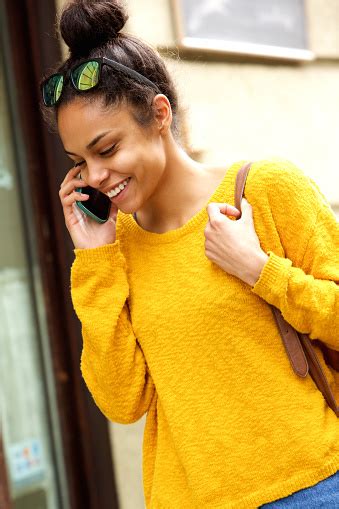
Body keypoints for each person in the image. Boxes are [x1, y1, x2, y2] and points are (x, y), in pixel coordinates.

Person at [40, 1, 339, 507]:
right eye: (79, 162)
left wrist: (262, 271)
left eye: (106, 150)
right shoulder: (114, 250)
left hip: (310, 487)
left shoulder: (264, 191)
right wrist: (94, 260)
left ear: (159, 114)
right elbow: (122, 402)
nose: (93, 177)